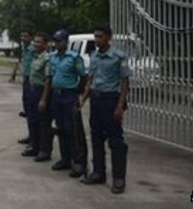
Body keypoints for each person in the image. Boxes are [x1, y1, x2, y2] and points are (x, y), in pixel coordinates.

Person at [80, 26, 131, 194]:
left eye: (100, 36)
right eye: (95, 36)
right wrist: (84, 99)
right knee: (96, 137)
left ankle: (118, 178)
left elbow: (125, 83)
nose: (97, 39)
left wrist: (119, 106)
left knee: (116, 141)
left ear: (109, 37)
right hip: (96, 100)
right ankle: (98, 173)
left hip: (111, 101)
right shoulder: (94, 56)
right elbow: (90, 79)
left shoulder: (118, 57)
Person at [46, 30, 87, 178]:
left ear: (66, 42)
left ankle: (78, 162)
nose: (57, 44)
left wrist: (78, 90)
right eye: (55, 41)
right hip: (57, 96)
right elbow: (50, 77)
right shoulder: (53, 58)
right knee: (61, 128)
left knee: (73, 130)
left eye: (60, 41)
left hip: (70, 96)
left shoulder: (74, 58)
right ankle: (65, 159)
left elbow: (84, 76)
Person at [24, 32, 53, 162]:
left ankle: (44, 150)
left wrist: (43, 99)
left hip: (41, 92)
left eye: (39, 42)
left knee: (44, 123)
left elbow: (48, 80)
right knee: (33, 120)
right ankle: (34, 146)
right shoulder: (35, 56)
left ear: (46, 44)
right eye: (35, 41)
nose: (36, 44)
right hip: (32, 90)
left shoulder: (47, 58)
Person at [17, 30, 34, 145]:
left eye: (26, 36)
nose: (23, 38)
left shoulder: (33, 49)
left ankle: (35, 138)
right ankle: (31, 135)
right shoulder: (24, 49)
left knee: (33, 111)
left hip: (33, 81)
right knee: (27, 110)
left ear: (31, 37)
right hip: (26, 80)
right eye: (21, 35)